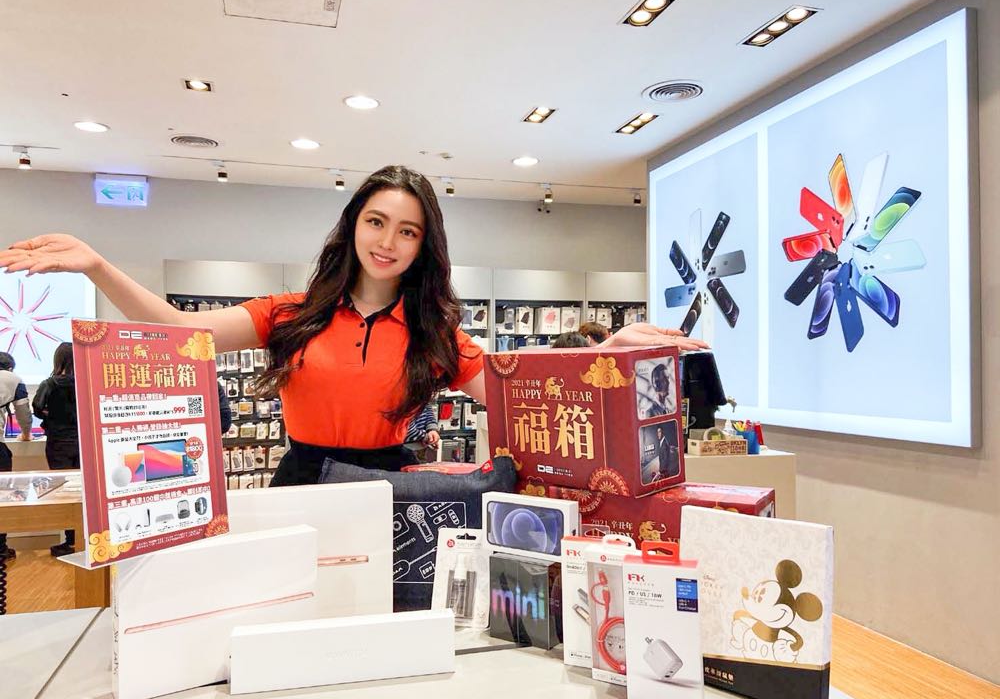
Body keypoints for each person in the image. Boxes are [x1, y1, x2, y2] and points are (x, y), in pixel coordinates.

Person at [0, 166, 708, 487]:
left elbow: (516, 387)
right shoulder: (289, 314)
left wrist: (607, 355)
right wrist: (98, 266)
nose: (388, 241)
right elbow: (175, 331)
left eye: (407, 230)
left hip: (390, 487)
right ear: (354, 226)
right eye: (377, 221)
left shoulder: (433, 333)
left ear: (422, 246)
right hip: (301, 479)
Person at [32, 342, 79, 556]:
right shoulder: (85, 382)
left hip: (58, 443)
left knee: (64, 492)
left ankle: (70, 541)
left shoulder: (50, 383)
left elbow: (37, 407)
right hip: (82, 443)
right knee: (82, 491)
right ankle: (81, 539)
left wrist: (51, 415)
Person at [0, 351, 32, 560]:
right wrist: (26, 434)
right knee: (2, 497)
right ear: (10, 367)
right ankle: (0, 548)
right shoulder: (14, 379)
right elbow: (24, 414)